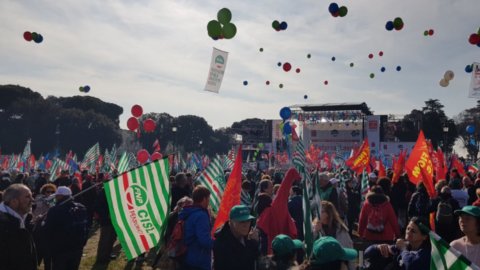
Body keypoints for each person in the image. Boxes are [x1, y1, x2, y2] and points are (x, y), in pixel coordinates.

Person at [44, 186, 88, 270]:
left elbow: (48, 230)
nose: (56, 197)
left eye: (57, 195)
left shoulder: (55, 210)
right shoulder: (81, 207)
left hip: (60, 249)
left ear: (60, 196)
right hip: (77, 247)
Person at [363, 216, 431, 270]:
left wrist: (403, 249)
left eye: (413, 231)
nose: (408, 232)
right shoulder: (405, 245)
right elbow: (367, 253)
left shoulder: (427, 253)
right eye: (408, 229)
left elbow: (411, 265)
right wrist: (378, 247)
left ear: (424, 237)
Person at [0, 183, 36, 270]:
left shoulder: (24, 219)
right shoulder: (3, 223)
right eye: (27, 197)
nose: (32, 200)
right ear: (14, 201)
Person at [213, 205, 260, 270]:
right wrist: (253, 243)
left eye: (248, 220)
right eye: (242, 221)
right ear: (231, 222)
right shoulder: (221, 242)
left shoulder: (246, 237)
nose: (246, 225)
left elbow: (257, 261)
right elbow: (239, 265)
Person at [179, 185, 213, 270]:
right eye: (208, 198)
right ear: (204, 199)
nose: (209, 201)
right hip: (199, 259)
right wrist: (219, 243)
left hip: (188, 255)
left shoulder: (189, 211)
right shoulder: (201, 215)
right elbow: (204, 240)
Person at [313, 200, 354, 270]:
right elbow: (307, 246)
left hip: (338, 263)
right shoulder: (314, 227)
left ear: (328, 214)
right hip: (321, 265)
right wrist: (315, 232)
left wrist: (351, 267)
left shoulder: (340, 229)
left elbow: (349, 246)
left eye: (322, 212)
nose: (318, 214)